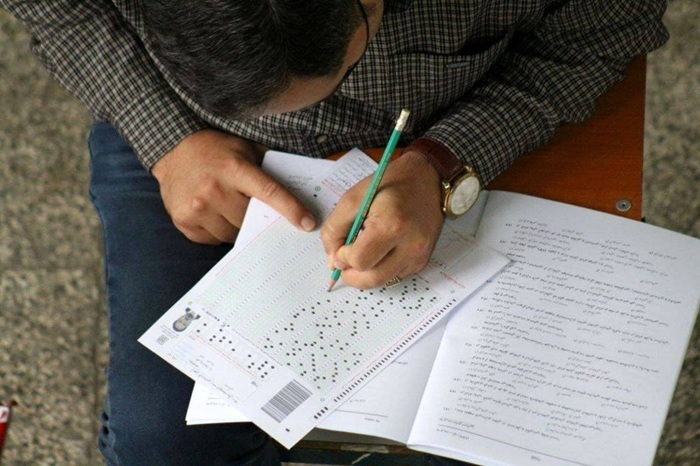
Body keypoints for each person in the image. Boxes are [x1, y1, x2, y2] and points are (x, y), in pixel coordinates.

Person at [1, 0, 668, 464]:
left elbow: (604, 30)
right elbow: (59, 10)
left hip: (464, 114)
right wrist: (166, 137)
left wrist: (445, 161)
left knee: (516, 431)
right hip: (185, 136)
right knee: (161, 443)